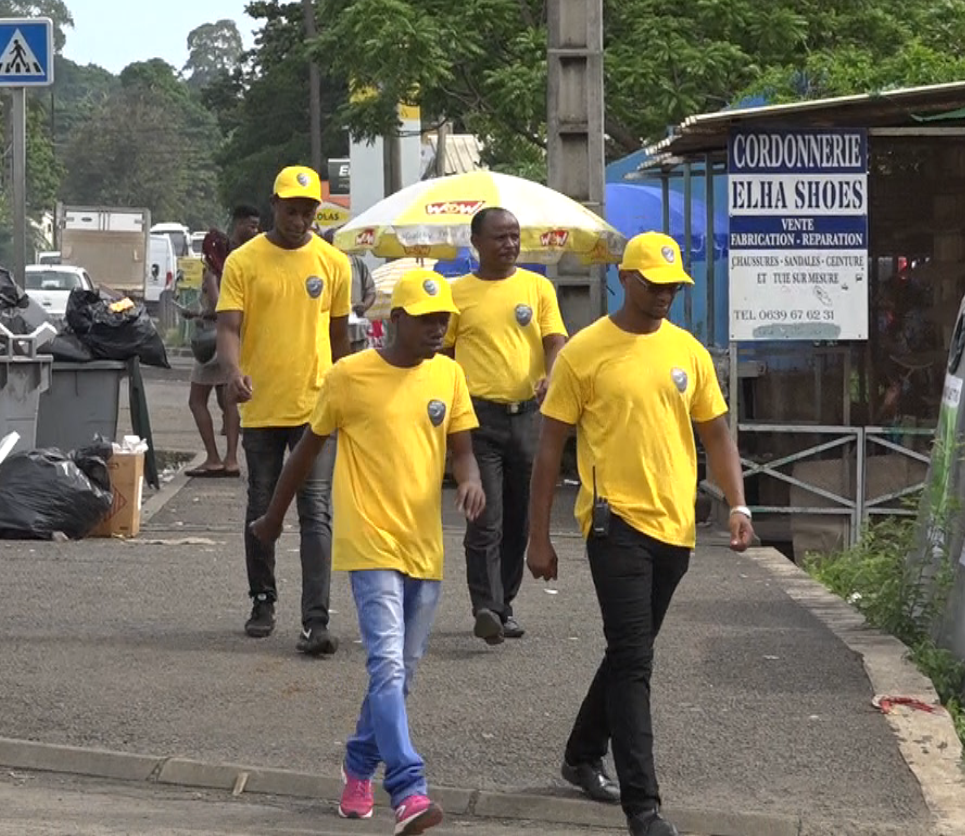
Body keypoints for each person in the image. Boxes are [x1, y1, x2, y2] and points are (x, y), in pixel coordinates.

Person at [526, 232, 755, 836]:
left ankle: (580, 755)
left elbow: (718, 435)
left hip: (674, 526)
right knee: (634, 660)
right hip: (613, 523)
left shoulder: (689, 354)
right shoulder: (582, 353)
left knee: (630, 652)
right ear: (624, 279)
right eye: (654, 285)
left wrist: (739, 505)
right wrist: (537, 537)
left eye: (673, 288)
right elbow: (551, 449)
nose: (664, 297)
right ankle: (643, 807)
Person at [249, 268, 484, 834]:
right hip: (369, 544)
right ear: (393, 321)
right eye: (426, 320)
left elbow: (463, 450)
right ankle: (408, 790)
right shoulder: (349, 376)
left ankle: (357, 765)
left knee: (401, 677)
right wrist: (274, 518)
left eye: (443, 321)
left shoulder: (449, 376)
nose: (436, 330)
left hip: (424, 546)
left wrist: (471, 481)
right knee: (386, 665)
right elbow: (305, 454)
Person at [215, 165, 352, 655]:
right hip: (261, 405)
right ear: (273, 204)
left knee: (316, 510)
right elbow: (229, 328)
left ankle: (316, 621)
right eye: (291, 210)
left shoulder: (333, 264)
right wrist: (233, 373)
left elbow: (340, 338)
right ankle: (262, 599)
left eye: (308, 212)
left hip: (316, 406)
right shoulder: (244, 262)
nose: (299, 220)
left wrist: (345, 394)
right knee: (262, 506)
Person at [445, 206, 568, 645]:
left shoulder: (537, 288)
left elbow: (556, 341)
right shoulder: (456, 294)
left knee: (519, 519)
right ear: (476, 243)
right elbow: (441, 354)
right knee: (486, 518)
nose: (509, 244)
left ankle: (504, 604)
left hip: (527, 419)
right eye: (499, 237)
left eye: (514, 236)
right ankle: (485, 605)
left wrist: (551, 375)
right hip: (477, 420)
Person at [183, 204, 261, 478]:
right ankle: (230, 459)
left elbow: (218, 305)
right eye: (250, 225)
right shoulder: (251, 259)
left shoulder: (218, 266)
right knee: (229, 400)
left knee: (197, 400)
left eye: (256, 226)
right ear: (237, 224)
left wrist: (202, 311)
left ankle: (215, 458)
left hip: (214, 340)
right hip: (237, 337)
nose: (254, 231)